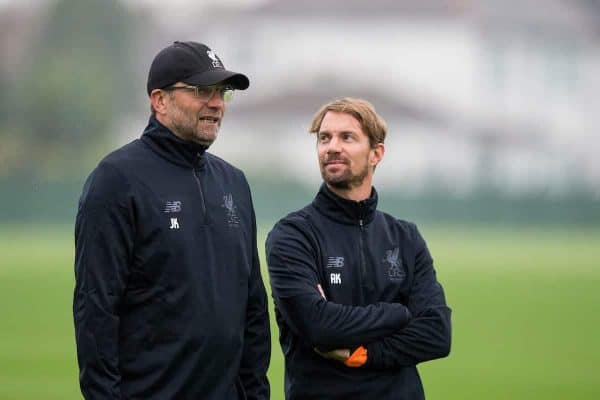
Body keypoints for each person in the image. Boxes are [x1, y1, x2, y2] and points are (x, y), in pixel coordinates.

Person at [73, 41, 270, 400]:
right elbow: (96, 310)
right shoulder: (117, 179)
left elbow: (252, 306)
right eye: (201, 91)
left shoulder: (234, 183)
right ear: (160, 101)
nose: (216, 103)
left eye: (222, 92)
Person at [266, 98, 451, 399]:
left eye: (347, 137)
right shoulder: (293, 236)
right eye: (324, 138)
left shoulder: (405, 237)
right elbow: (318, 326)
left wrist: (364, 353)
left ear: (376, 153)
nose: (332, 147)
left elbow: (437, 334)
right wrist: (398, 314)